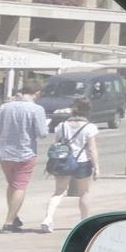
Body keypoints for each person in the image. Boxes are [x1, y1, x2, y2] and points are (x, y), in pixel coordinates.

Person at [0, 80, 52, 232]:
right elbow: (42, 133)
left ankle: (14, 216)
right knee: (20, 186)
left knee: (12, 184)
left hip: (4, 152)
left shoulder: (5, 107)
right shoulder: (36, 109)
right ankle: (9, 221)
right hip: (25, 152)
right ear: (37, 93)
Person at [39, 97, 100, 231]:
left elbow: (57, 144)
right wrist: (96, 167)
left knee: (58, 191)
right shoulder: (90, 127)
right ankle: (84, 223)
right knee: (84, 193)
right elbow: (92, 149)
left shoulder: (62, 126)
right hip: (82, 161)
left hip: (64, 161)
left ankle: (48, 219)